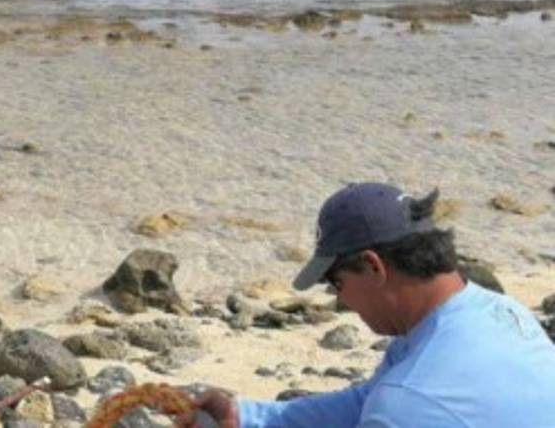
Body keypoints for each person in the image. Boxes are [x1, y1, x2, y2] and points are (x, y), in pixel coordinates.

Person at [180, 182, 555, 428]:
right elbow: (364, 400)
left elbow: (399, 403)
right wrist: (246, 418)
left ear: (374, 267)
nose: (339, 298)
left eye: (335, 282)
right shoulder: (501, 313)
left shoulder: (410, 399)